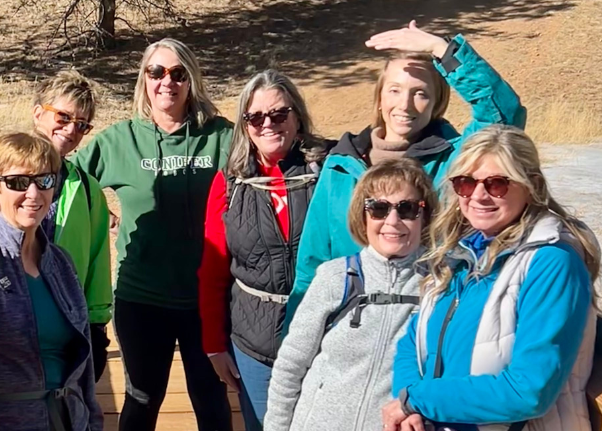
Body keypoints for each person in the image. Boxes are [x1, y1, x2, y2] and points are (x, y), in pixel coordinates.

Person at [286, 21, 527, 324]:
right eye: (395, 90)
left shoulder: (455, 161)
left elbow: (504, 118)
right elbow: (311, 269)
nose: (405, 104)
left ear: (437, 102)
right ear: (380, 97)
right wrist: (296, 349)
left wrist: (443, 50)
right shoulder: (339, 166)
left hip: (425, 330)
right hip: (348, 340)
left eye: (420, 93)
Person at [383, 125, 599, 431]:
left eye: (497, 183)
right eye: (465, 183)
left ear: (532, 186)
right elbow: (411, 343)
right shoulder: (457, 255)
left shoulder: (552, 263)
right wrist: (408, 403)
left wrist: (418, 400)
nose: (479, 195)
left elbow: (528, 390)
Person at [71, 38, 234, 431]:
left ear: (191, 80)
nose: (167, 82)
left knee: (211, 400)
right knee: (142, 401)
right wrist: (99, 211)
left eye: (178, 74)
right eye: (156, 72)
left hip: (206, 299)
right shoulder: (121, 139)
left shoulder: (221, 136)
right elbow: (66, 180)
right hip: (141, 296)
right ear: (143, 79)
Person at [0, 133, 103, 431]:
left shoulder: (60, 264)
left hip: (67, 421)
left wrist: (92, 421)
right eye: (17, 182)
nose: (33, 193)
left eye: (44, 181)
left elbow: (82, 366)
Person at [198, 69, 332, 431]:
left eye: (279, 114)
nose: (268, 124)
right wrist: (214, 344)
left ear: (297, 116)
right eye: (255, 117)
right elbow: (213, 269)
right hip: (255, 344)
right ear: (245, 125)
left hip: (324, 337)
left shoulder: (330, 169)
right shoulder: (230, 182)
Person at [264, 158, 437, 431]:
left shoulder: (438, 286)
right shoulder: (335, 277)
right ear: (363, 215)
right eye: (378, 209)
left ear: (425, 216)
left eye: (407, 209)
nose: (392, 221)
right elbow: (290, 368)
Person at [31, 71, 113, 380]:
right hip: (9, 323)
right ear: (38, 113)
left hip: (65, 328)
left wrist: (95, 328)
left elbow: (96, 262)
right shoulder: (2, 173)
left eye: (82, 125)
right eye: (63, 117)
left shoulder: (88, 189)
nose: (70, 130)